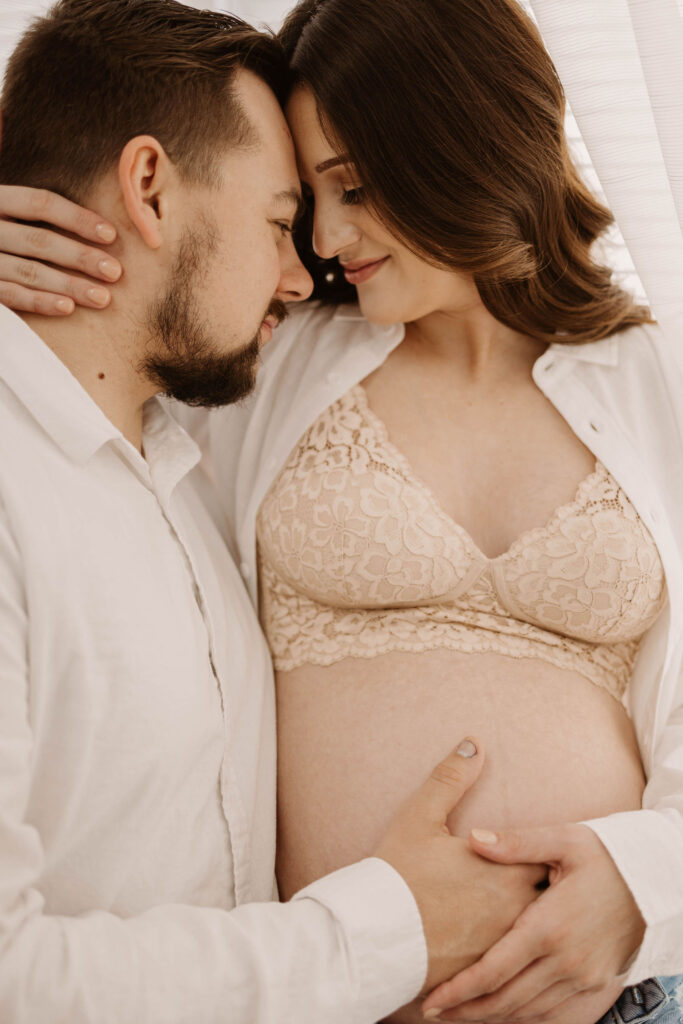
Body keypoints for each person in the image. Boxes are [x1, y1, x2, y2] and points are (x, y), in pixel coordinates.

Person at [2, 1, 683, 1023]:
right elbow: (118, 320)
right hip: (330, 991)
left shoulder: (653, 382)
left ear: (461, 147)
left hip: (614, 994)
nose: (322, 239)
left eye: (353, 188)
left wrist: (643, 889)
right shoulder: (262, 355)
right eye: (301, 205)